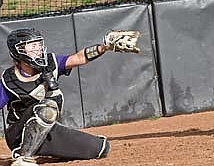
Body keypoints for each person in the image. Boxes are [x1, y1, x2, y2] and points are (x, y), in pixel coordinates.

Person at [0, 28, 139, 166]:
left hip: (45, 130)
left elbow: (78, 58)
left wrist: (105, 47)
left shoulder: (50, 62)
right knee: (47, 108)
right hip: (18, 134)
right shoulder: (9, 80)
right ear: (18, 51)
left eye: (39, 44)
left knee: (100, 148)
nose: (38, 49)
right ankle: (24, 157)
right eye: (32, 46)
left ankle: (48, 151)